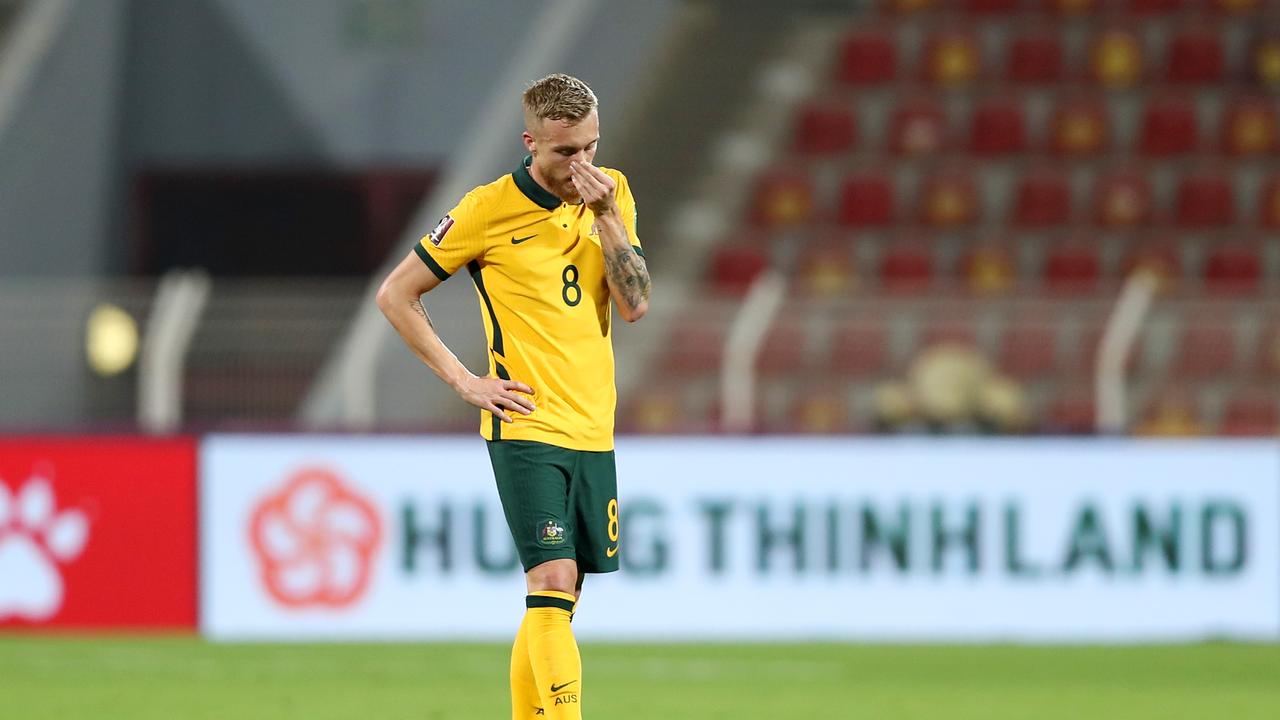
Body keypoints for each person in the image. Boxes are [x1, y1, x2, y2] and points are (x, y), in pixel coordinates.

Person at [376, 73, 649, 720]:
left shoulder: (612, 196)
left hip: (592, 426)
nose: (581, 164)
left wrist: (608, 216)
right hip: (527, 423)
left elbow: (635, 303)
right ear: (531, 142)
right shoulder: (486, 209)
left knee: (559, 599)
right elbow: (396, 294)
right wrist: (464, 380)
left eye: (590, 147)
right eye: (565, 152)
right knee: (551, 580)